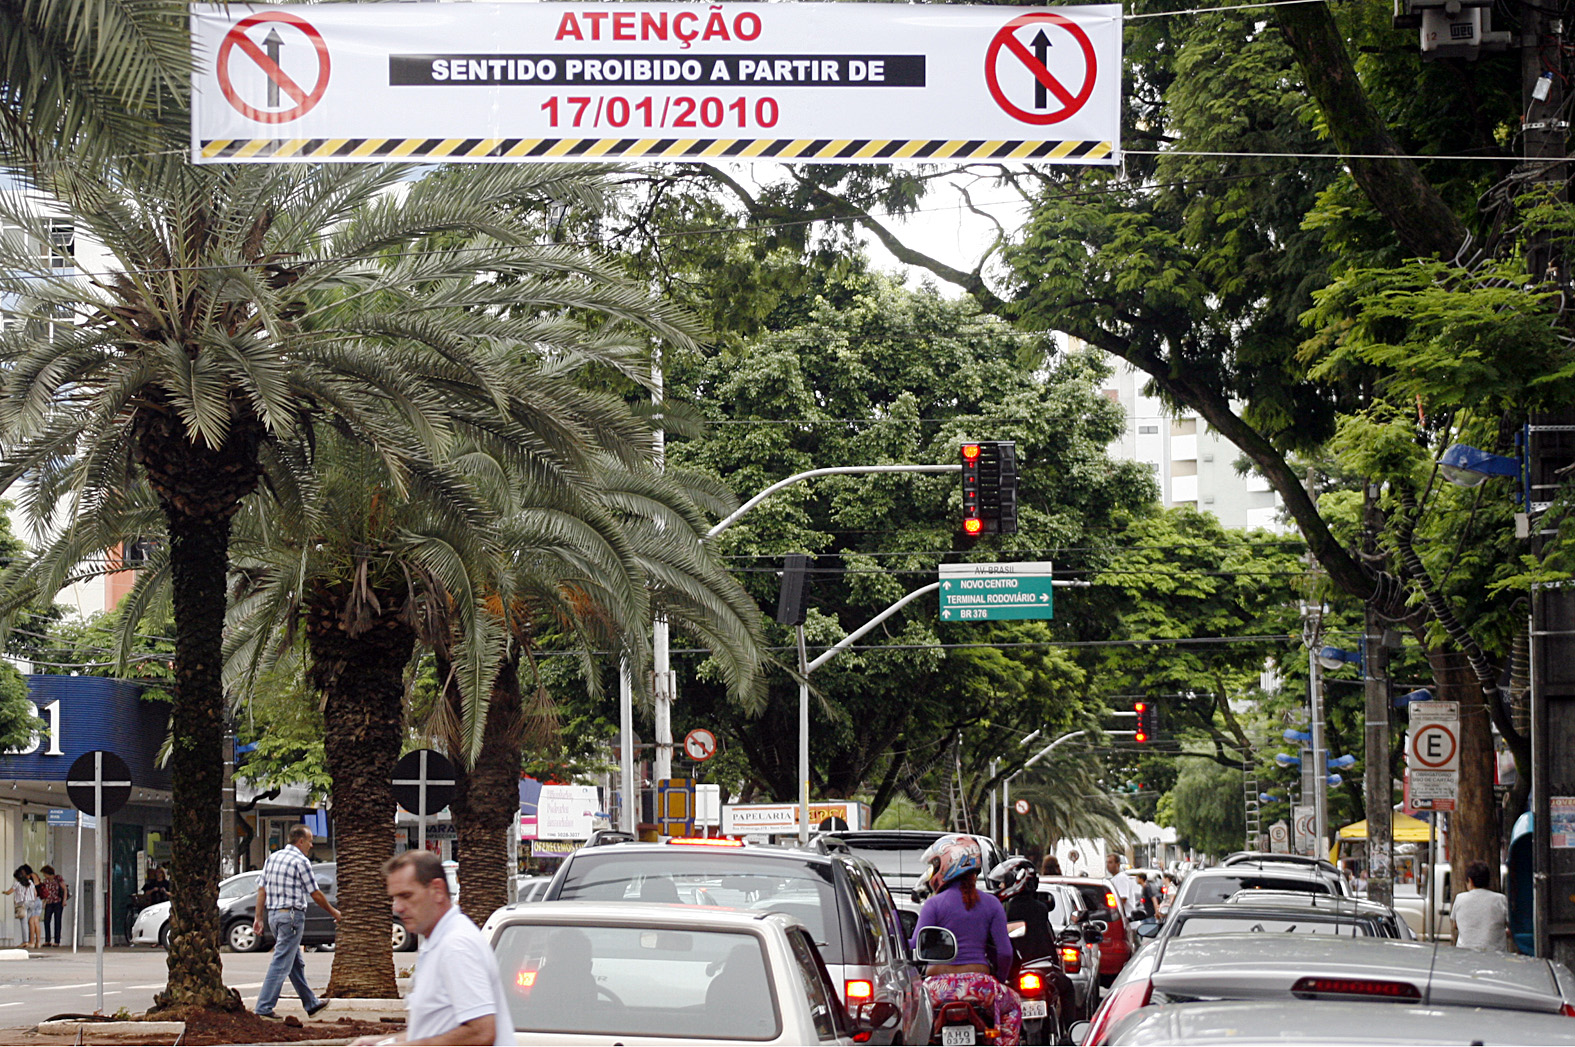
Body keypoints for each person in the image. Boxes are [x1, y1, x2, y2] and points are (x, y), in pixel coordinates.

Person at [355, 849, 516, 1046]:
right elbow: (434, 1029)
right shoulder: (438, 942)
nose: (397, 907)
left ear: (437, 891)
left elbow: (482, 1032)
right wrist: (384, 1042)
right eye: (394, 898)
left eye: (406, 896)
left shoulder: (456, 946)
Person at [912, 835, 1022, 1046]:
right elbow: (1005, 953)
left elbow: (917, 944)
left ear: (947, 864)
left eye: (936, 865)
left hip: (937, 989)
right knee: (1014, 1005)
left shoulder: (933, 905)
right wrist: (997, 979)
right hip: (980, 987)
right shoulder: (992, 904)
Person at [253, 824, 337, 1019]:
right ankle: (264, 1007)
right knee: (282, 961)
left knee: (294, 963)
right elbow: (315, 893)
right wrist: (334, 912)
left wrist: (258, 917)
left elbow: (261, 889)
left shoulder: (273, 858)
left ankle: (311, 1003)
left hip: (274, 916)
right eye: (309, 841)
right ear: (300, 841)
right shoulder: (301, 861)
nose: (311, 845)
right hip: (291, 915)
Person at [1451, 861, 1510, 952]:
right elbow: (1510, 925)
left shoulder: (1460, 898)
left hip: (1465, 953)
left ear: (1470, 881)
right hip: (1495, 954)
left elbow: (1455, 925)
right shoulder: (1500, 899)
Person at [1105, 854, 1141, 923]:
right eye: (1107, 862)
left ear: (1118, 864)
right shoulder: (1114, 879)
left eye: (1110, 862)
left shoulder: (1121, 878)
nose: (1108, 865)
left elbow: (1123, 899)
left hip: (1128, 921)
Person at [37, 865, 67, 947]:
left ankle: (57, 941)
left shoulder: (58, 879)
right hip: (49, 902)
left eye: (45, 874)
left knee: (57, 921)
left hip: (58, 902)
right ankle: (48, 940)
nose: (44, 875)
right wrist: (44, 901)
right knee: (46, 920)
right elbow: (46, 892)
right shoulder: (46, 881)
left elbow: (64, 889)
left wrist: (64, 900)